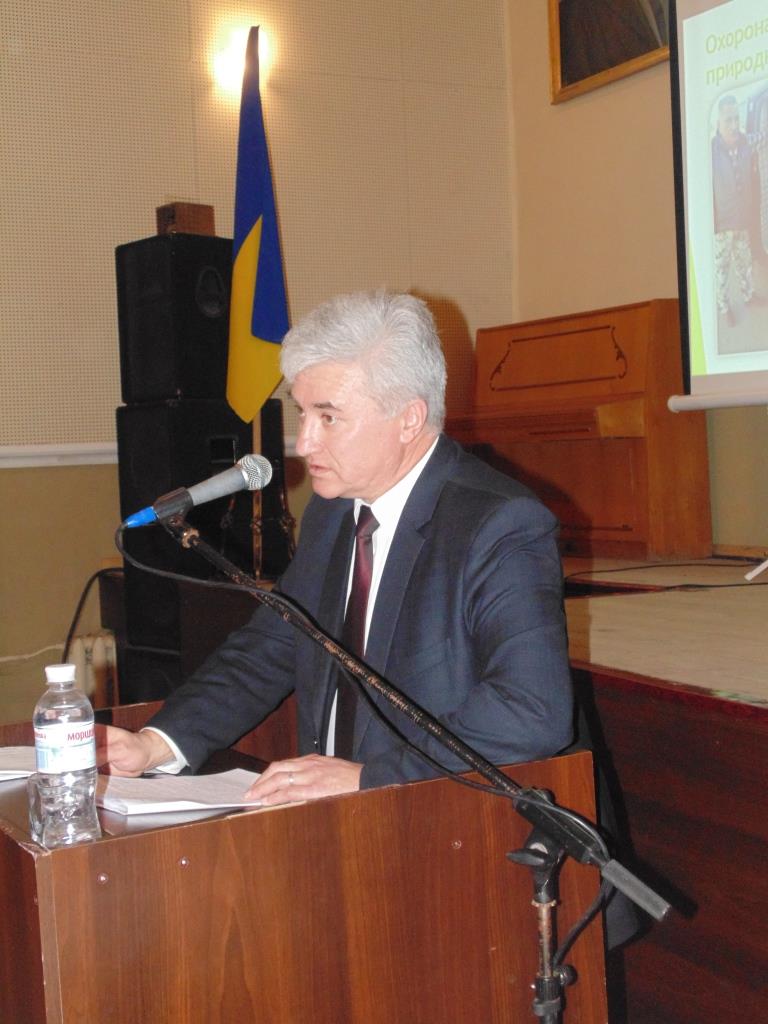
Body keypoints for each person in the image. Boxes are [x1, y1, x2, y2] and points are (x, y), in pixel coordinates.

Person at [98, 290, 574, 804]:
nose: (303, 443)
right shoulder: (334, 512)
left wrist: (368, 778)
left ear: (409, 419)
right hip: (335, 820)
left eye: (328, 417)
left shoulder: (498, 524)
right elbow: (273, 645)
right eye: (302, 413)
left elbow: (532, 711)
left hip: (448, 819)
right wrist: (157, 743)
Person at [712, 95, 758, 325]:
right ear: (718, 123)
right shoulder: (710, 151)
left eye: (736, 118)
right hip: (722, 224)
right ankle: (723, 306)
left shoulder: (746, 142)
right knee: (722, 269)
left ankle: (749, 295)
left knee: (744, 262)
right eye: (728, 120)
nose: (733, 125)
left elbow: (762, 136)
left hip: (742, 220)